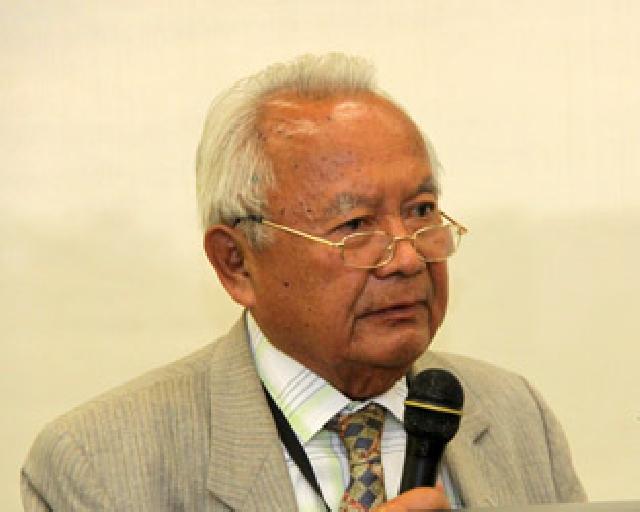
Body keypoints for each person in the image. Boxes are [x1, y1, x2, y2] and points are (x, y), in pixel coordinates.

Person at [21, 53, 586, 511]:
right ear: (236, 263)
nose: (407, 258)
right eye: (356, 225)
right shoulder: (98, 464)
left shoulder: (514, 415)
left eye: (420, 211)